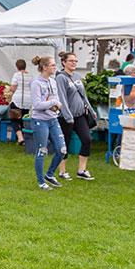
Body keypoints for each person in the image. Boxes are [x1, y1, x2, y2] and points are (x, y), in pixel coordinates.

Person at [55, 52, 95, 181]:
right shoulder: (61, 78)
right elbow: (62, 98)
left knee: (87, 139)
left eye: (75, 61)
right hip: (66, 117)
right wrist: (68, 116)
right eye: (71, 61)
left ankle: (81, 170)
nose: (74, 63)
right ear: (64, 62)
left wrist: (91, 110)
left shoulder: (77, 76)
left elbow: (83, 96)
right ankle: (62, 171)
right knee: (65, 144)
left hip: (80, 115)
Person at [30, 56, 66, 190]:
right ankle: (41, 182)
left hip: (53, 119)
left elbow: (54, 100)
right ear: (44, 67)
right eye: (52, 65)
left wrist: (55, 106)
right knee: (42, 151)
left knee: (62, 150)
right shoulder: (36, 83)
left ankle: (49, 174)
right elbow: (37, 105)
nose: (55, 67)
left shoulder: (53, 81)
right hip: (40, 120)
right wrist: (53, 103)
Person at [9, 59, 32, 145]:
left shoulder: (16, 75)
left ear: (17, 66)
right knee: (24, 119)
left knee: (14, 119)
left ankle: (20, 138)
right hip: (28, 100)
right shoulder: (30, 76)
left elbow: (13, 88)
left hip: (17, 100)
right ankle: (26, 138)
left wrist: (9, 89)